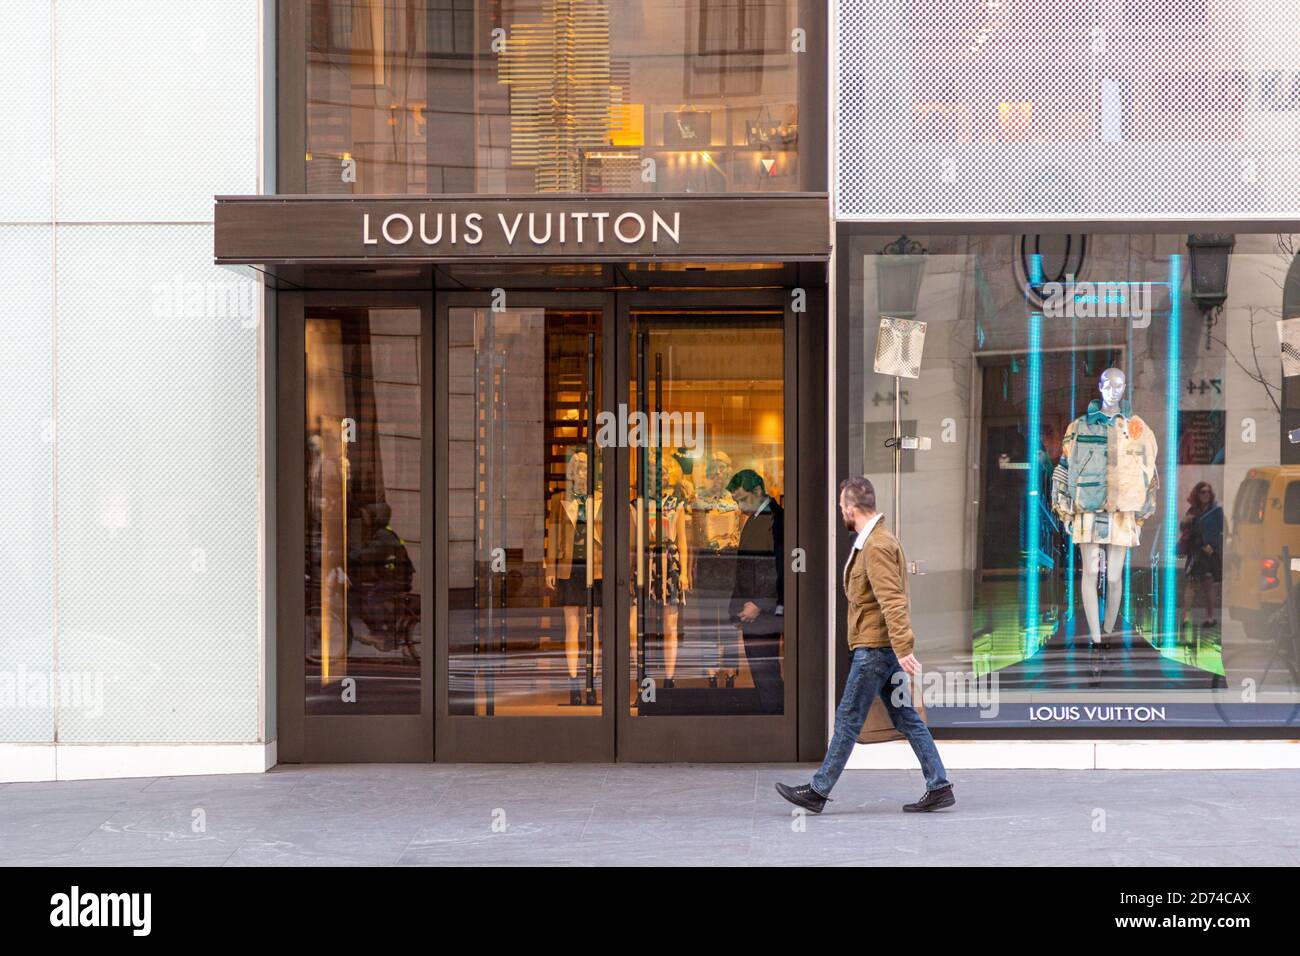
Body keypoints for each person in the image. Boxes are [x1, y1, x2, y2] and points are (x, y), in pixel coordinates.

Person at [776, 476, 953, 814]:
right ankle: (939, 785)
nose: (840, 511)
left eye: (841, 507)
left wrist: (904, 647)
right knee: (906, 718)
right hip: (881, 648)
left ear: (852, 508)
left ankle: (817, 791)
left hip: (875, 649)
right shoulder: (870, 541)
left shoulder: (877, 546)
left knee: (847, 719)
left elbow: (893, 600)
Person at [727, 469, 784, 714]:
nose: (739, 506)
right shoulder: (756, 518)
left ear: (758, 491)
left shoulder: (775, 520)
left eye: (741, 499)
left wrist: (760, 603)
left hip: (764, 611)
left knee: (765, 669)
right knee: (761, 668)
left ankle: (776, 717)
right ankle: (773, 714)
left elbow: (776, 566)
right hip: (754, 608)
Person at [1179, 481, 1223, 629]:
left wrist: (1212, 546)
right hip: (1196, 552)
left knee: (1208, 586)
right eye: (1202, 492)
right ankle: (1186, 616)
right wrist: (1185, 521)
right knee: (1191, 584)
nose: (1205, 495)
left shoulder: (1216, 511)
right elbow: (1183, 528)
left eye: (1208, 492)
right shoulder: (1193, 510)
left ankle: (1210, 618)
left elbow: (1221, 530)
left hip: (1209, 553)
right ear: (1197, 494)